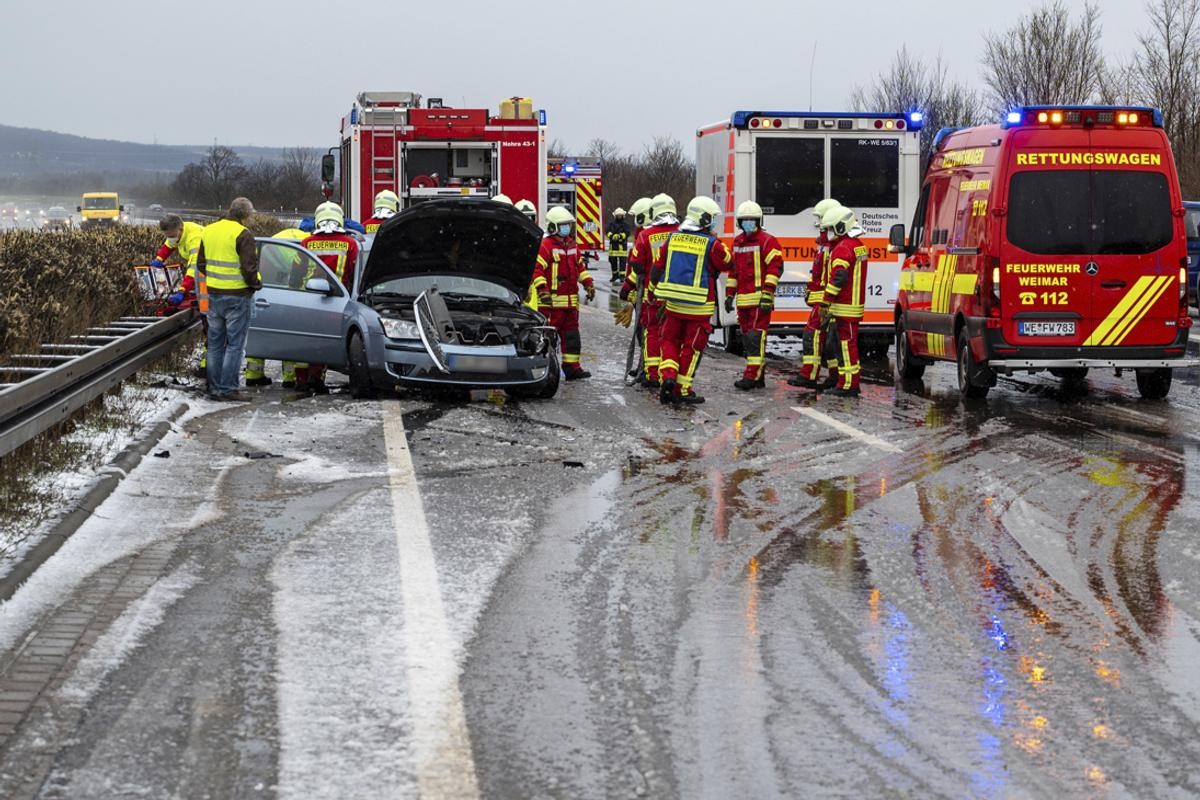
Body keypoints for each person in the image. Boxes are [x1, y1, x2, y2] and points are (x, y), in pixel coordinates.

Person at [651, 196, 732, 404]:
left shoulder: (673, 238)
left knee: (668, 340)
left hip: (673, 304)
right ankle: (682, 390)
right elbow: (727, 262)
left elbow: (657, 267)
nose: (714, 222)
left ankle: (668, 376)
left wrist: (654, 295)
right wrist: (716, 238)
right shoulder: (712, 244)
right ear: (704, 219)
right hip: (699, 307)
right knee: (691, 348)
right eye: (712, 219)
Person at [196, 197, 260, 402]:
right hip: (238, 296)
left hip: (214, 294)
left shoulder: (209, 230)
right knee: (234, 345)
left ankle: (214, 387)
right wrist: (256, 284)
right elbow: (249, 268)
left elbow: (201, 264)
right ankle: (228, 388)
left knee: (215, 343)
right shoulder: (243, 234)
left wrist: (216, 280)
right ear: (245, 215)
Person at [300, 202, 360, 394]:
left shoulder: (306, 243)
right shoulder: (350, 244)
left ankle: (303, 379)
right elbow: (354, 273)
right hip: (338, 301)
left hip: (307, 299)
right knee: (328, 340)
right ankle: (317, 378)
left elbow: (296, 271)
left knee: (306, 339)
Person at [242, 225, 310, 388]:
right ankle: (289, 378)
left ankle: (253, 375)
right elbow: (302, 273)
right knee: (288, 336)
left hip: (263, 294)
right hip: (290, 296)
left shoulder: (272, 243)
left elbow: (257, 267)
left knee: (259, 335)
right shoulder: (305, 242)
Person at [725, 201, 784, 390]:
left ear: (759, 221)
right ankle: (758, 376)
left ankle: (751, 376)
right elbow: (733, 272)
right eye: (745, 221)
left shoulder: (768, 241)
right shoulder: (738, 242)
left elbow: (776, 268)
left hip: (760, 299)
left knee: (755, 338)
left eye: (752, 220)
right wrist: (729, 295)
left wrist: (768, 293)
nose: (749, 224)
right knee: (748, 339)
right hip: (743, 300)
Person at [622, 194, 678, 388]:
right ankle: (670, 374)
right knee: (671, 338)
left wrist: (627, 290)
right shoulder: (681, 233)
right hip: (676, 296)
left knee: (651, 334)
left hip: (652, 295)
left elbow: (636, 267)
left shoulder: (646, 236)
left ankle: (652, 374)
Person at [533, 206, 595, 380]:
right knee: (548, 339)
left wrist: (588, 284)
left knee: (572, 338)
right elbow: (537, 269)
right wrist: (542, 290)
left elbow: (580, 268)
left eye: (568, 225)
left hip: (570, 304)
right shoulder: (546, 246)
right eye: (563, 225)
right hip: (551, 304)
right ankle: (546, 369)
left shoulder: (572, 245)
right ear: (553, 227)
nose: (567, 228)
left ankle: (572, 368)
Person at [790, 198, 844, 389]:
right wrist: (811, 293)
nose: (818, 222)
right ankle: (833, 375)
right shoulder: (824, 243)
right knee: (828, 340)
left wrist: (823, 300)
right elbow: (818, 274)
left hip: (827, 300)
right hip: (822, 299)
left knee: (813, 336)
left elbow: (830, 277)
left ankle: (809, 375)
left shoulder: (832, 245)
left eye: (821, 218)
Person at [818, 205, 869, 397]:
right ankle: (846, 381)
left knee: (846, 346)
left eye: (831, 228)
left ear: (841, 227)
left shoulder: (843, 248)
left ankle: (849, 384)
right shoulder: (857, 245)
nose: (828, 233)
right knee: (848, 344)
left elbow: (839, 277)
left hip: (845, 306)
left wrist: (825, 301)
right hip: (852, 305)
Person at [606, 208, 630, 284]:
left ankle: (622, 276)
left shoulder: (625, 225)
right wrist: (612, 236)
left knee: (623, 263)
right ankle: (615, 275)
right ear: (615, 216)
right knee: (613, 262)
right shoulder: (611, 224)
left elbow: (627, 233)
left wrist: (620, 236)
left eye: (620, 215)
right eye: (618, 215)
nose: (619, 217)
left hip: (622, 246)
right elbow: (607, 231)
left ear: (623, 216)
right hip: (613, 247)